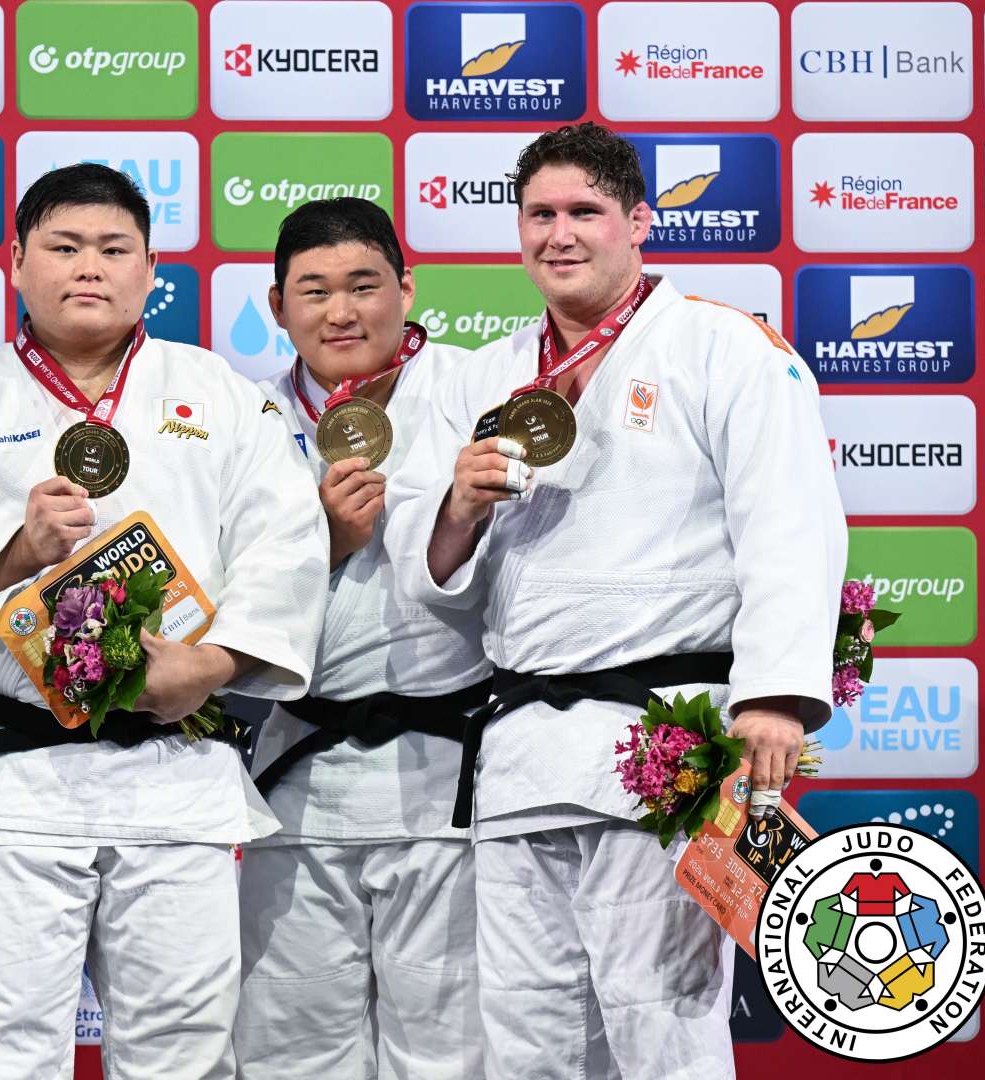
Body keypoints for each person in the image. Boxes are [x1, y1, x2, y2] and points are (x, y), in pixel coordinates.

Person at [384, 122, 847, 1079]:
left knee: (662, 1024)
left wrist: (774, 696)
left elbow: (792, 520)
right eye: (539, 214)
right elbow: (424, 566)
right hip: (520, 757)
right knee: (527, 1034)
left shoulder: (724, 347)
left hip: (662, 741)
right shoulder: (483, 374)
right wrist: (457, 506)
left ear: (638, 222)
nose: (559, 233)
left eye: (584, 212)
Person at [0, 163, 328, 1080]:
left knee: (183, 1053)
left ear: (150, 267)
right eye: (63, 246)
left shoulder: (216, 393)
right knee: (1, 1052)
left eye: (113, 249)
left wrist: (210, 667)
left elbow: (286, 546)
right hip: (18, 781)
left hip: (178, 777)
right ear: (15, 262)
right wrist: (14, 549)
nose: (89, 267)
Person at [235, 198, 487, 1079]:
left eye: (364, 286)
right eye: (314, 291)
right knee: (289, 1054)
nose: (341, 311)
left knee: (451, 1055)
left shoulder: (475, 392)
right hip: (294, 790)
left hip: (446, 791)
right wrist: (322, 544)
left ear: (407, 289)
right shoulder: (240, 422)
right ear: (277, 307)